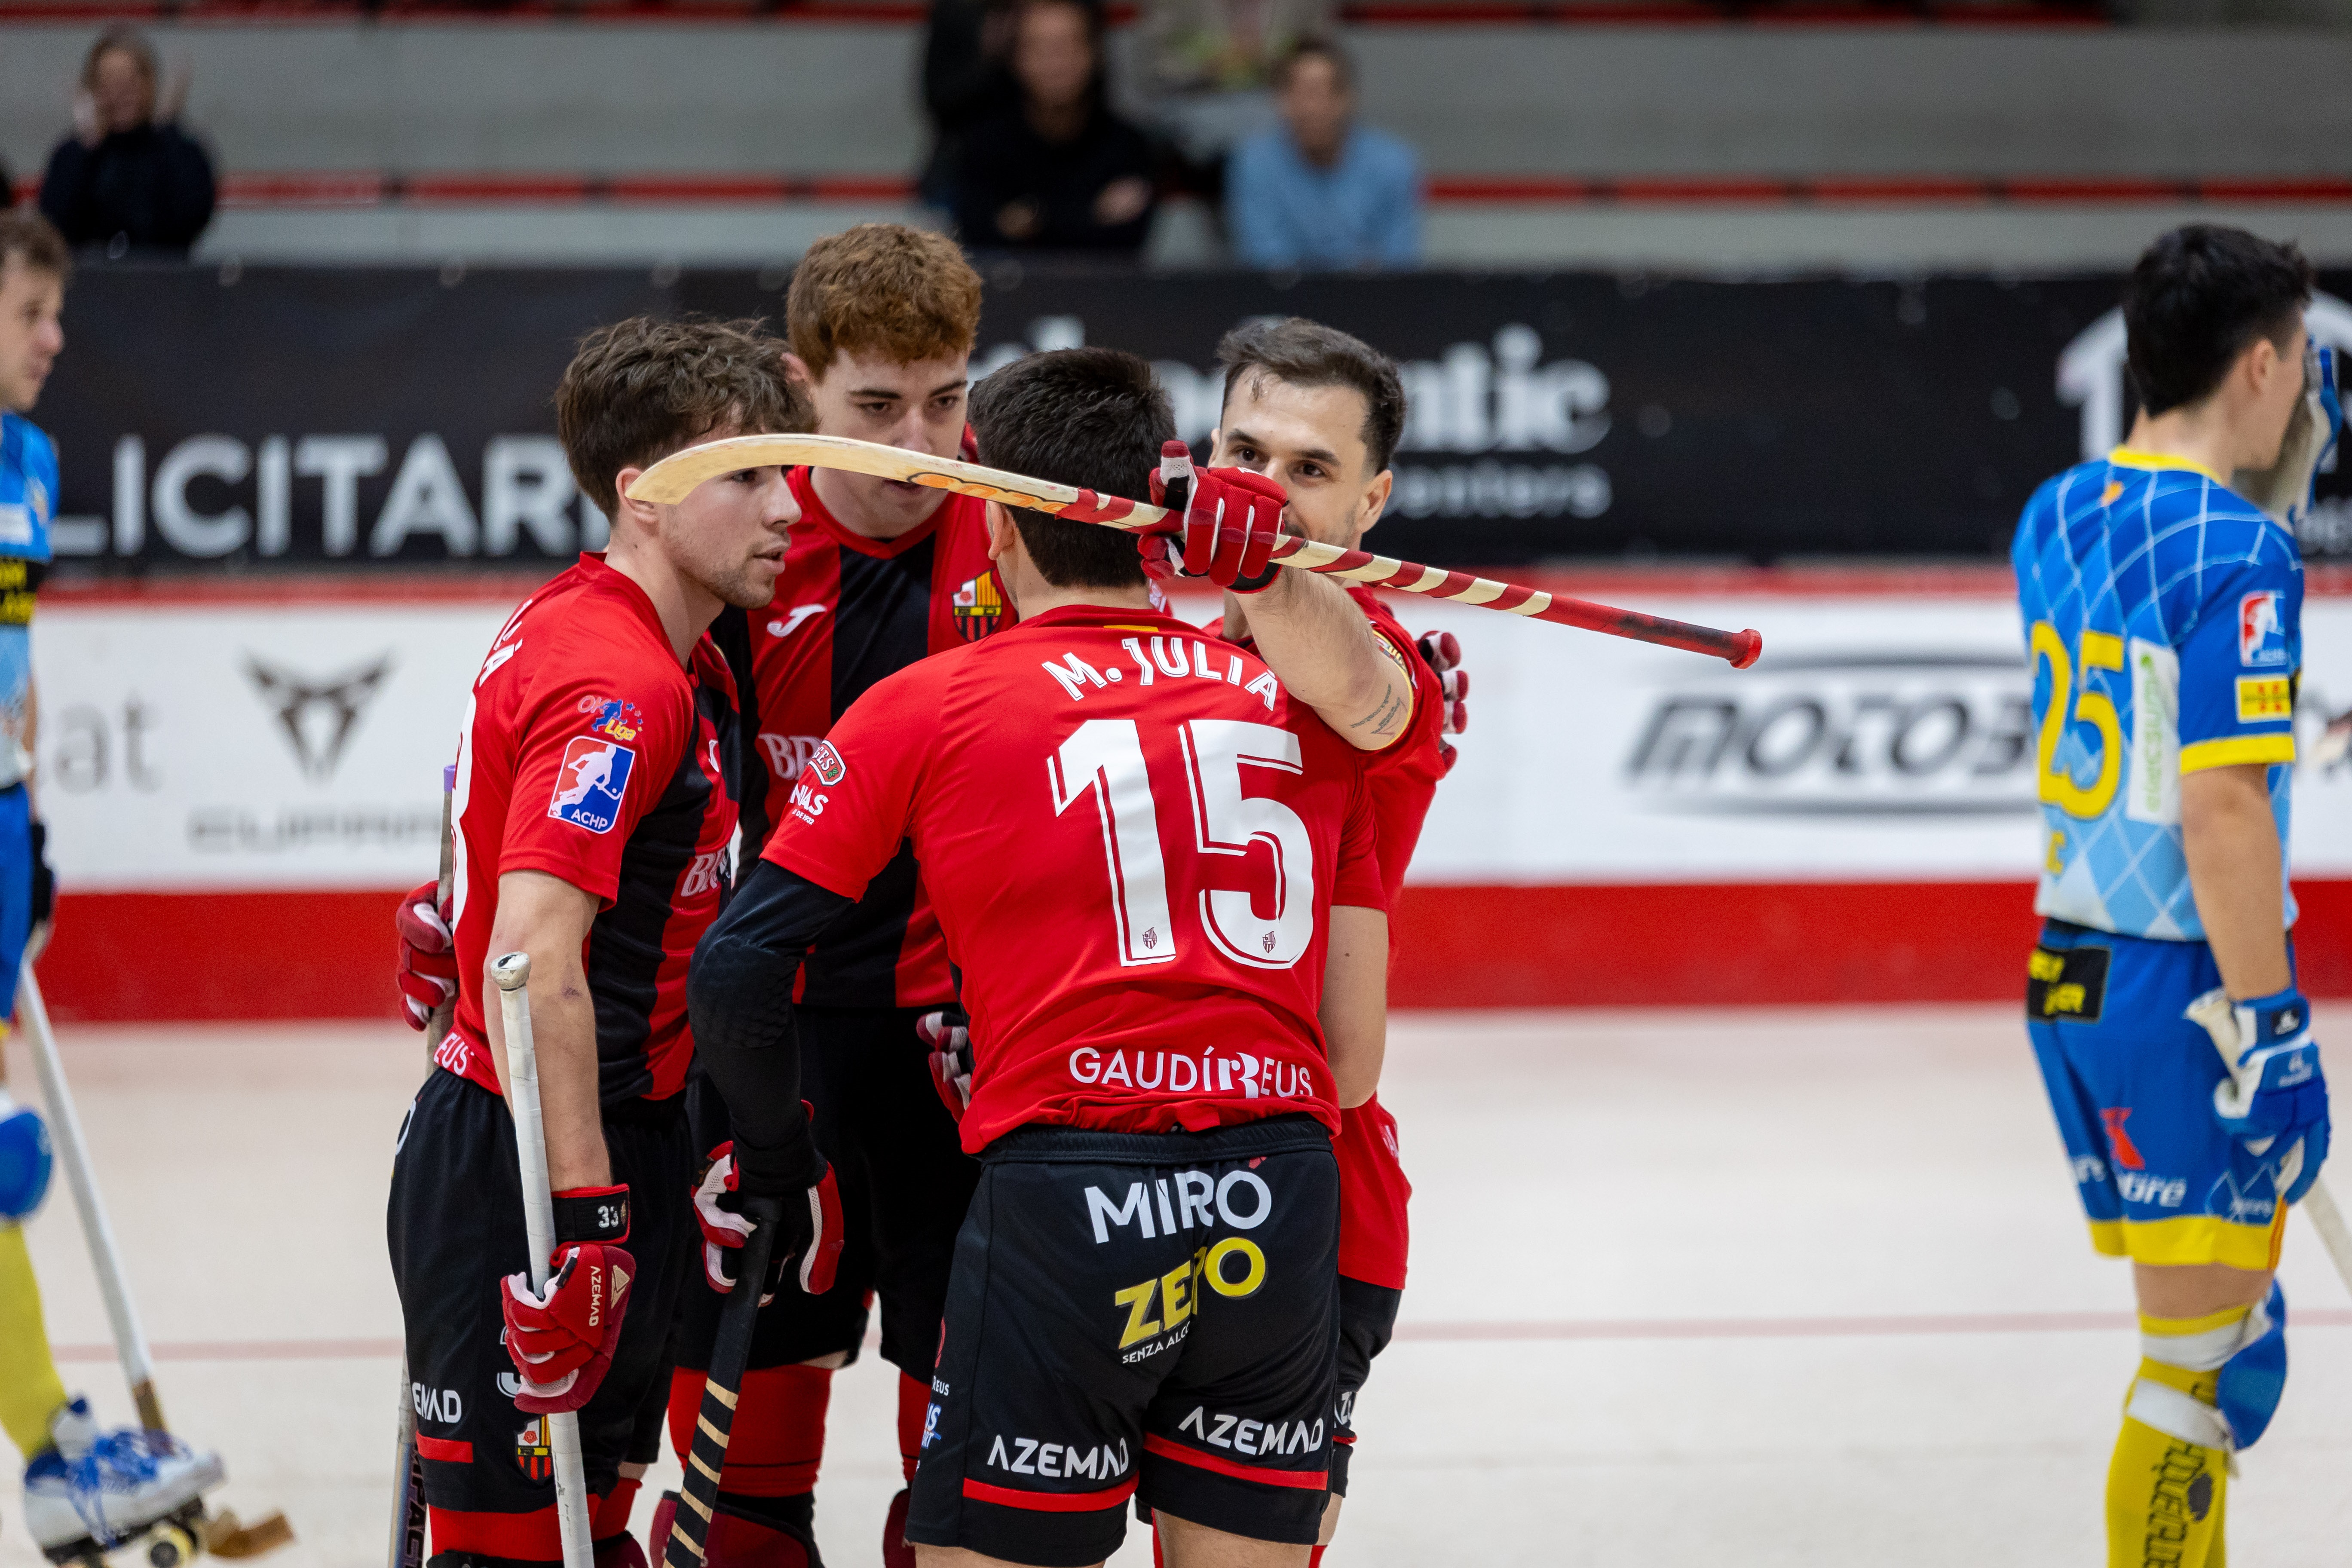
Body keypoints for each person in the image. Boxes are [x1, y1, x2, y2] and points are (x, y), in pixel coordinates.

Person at [688, 346, 1390, 1568]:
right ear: (1168, 505)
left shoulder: (928, 702)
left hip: (1076, 1191)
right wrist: (1268, 578)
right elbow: (1387, 710)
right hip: (1280, 1188)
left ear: (986, 511)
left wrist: (777, 1152)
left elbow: (741, 966)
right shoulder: (1284, 692)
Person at [384, 315, 834, 1568]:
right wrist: (584, 1223)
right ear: (643, 495)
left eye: (783, 469)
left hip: (625, 1130)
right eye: (746, 475)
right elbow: (531, 969)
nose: (786, 507)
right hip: (526, 1161)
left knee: (602, 1533)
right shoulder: (623, 683)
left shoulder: (628, 636)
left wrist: (444, 912)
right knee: (508, 1552)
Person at [665, 223, 1008, 1568]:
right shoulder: (736, 541)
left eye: (947, 399)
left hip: (960, 1053)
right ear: (800, 386)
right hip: (769, 1050)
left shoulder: (1032, 530)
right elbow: (596, 717)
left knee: (959, 1521)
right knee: (741, 1514)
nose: (919, 442)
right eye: (877, 407)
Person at [2013, 223, 2334, 1568]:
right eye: (2308, 364)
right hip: (2181, 990)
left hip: (2072, 974)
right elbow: (2217, 805)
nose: (2316, 393)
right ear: (2259, 366)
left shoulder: (2056, 508)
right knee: (2192, 1380)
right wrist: (2275, 1022)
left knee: (2209, 1354)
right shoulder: (2242, 556)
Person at [1167, 317, 1462, 1563]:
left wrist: (1256, 572)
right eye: (1248, 454)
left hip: (1308, 1191)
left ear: (1373, 501)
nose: (1271, 491)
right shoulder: (1169, 649)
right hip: (1115, 1168)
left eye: (1310, 471)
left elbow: (1359, 691)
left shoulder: (1396, 655)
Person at [0, 208, 225, 1556]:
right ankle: (46, 1444)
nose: (55, 336)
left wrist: (20, 815)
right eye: (30, 313)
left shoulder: (26, 461)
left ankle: (49, 1445)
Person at [952, 0, 1159, 253]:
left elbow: (1125, 243)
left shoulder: (1127, 146)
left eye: (1068, 46)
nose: (1055, 62)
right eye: (1039, 48)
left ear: (1095, 53)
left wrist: (1029, 219)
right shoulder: (984, 147)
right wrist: (1092, 214)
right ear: (1016, 58)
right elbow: (979, 237)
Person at [1226, 40, 1419, 273]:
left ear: (1349, 98)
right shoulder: (1253, 164)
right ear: (1280, 100)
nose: (1312, 108)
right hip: (1283, 304)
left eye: (1324, 93)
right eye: (1300, 93)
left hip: (1370, 304)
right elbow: (1267, 265)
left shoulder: (1394, 163)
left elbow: (1398, 268)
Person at [38, 28, 216, 256]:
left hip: (163, 279)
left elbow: (192, 215)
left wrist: (168, 130)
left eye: (131, 82)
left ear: (150, 85)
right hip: (90, 280)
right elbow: (55, 226)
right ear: (92, 89)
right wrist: (87, 149)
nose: (121, 94)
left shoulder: (179, 149)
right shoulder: (73, 154)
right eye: (109, 83)